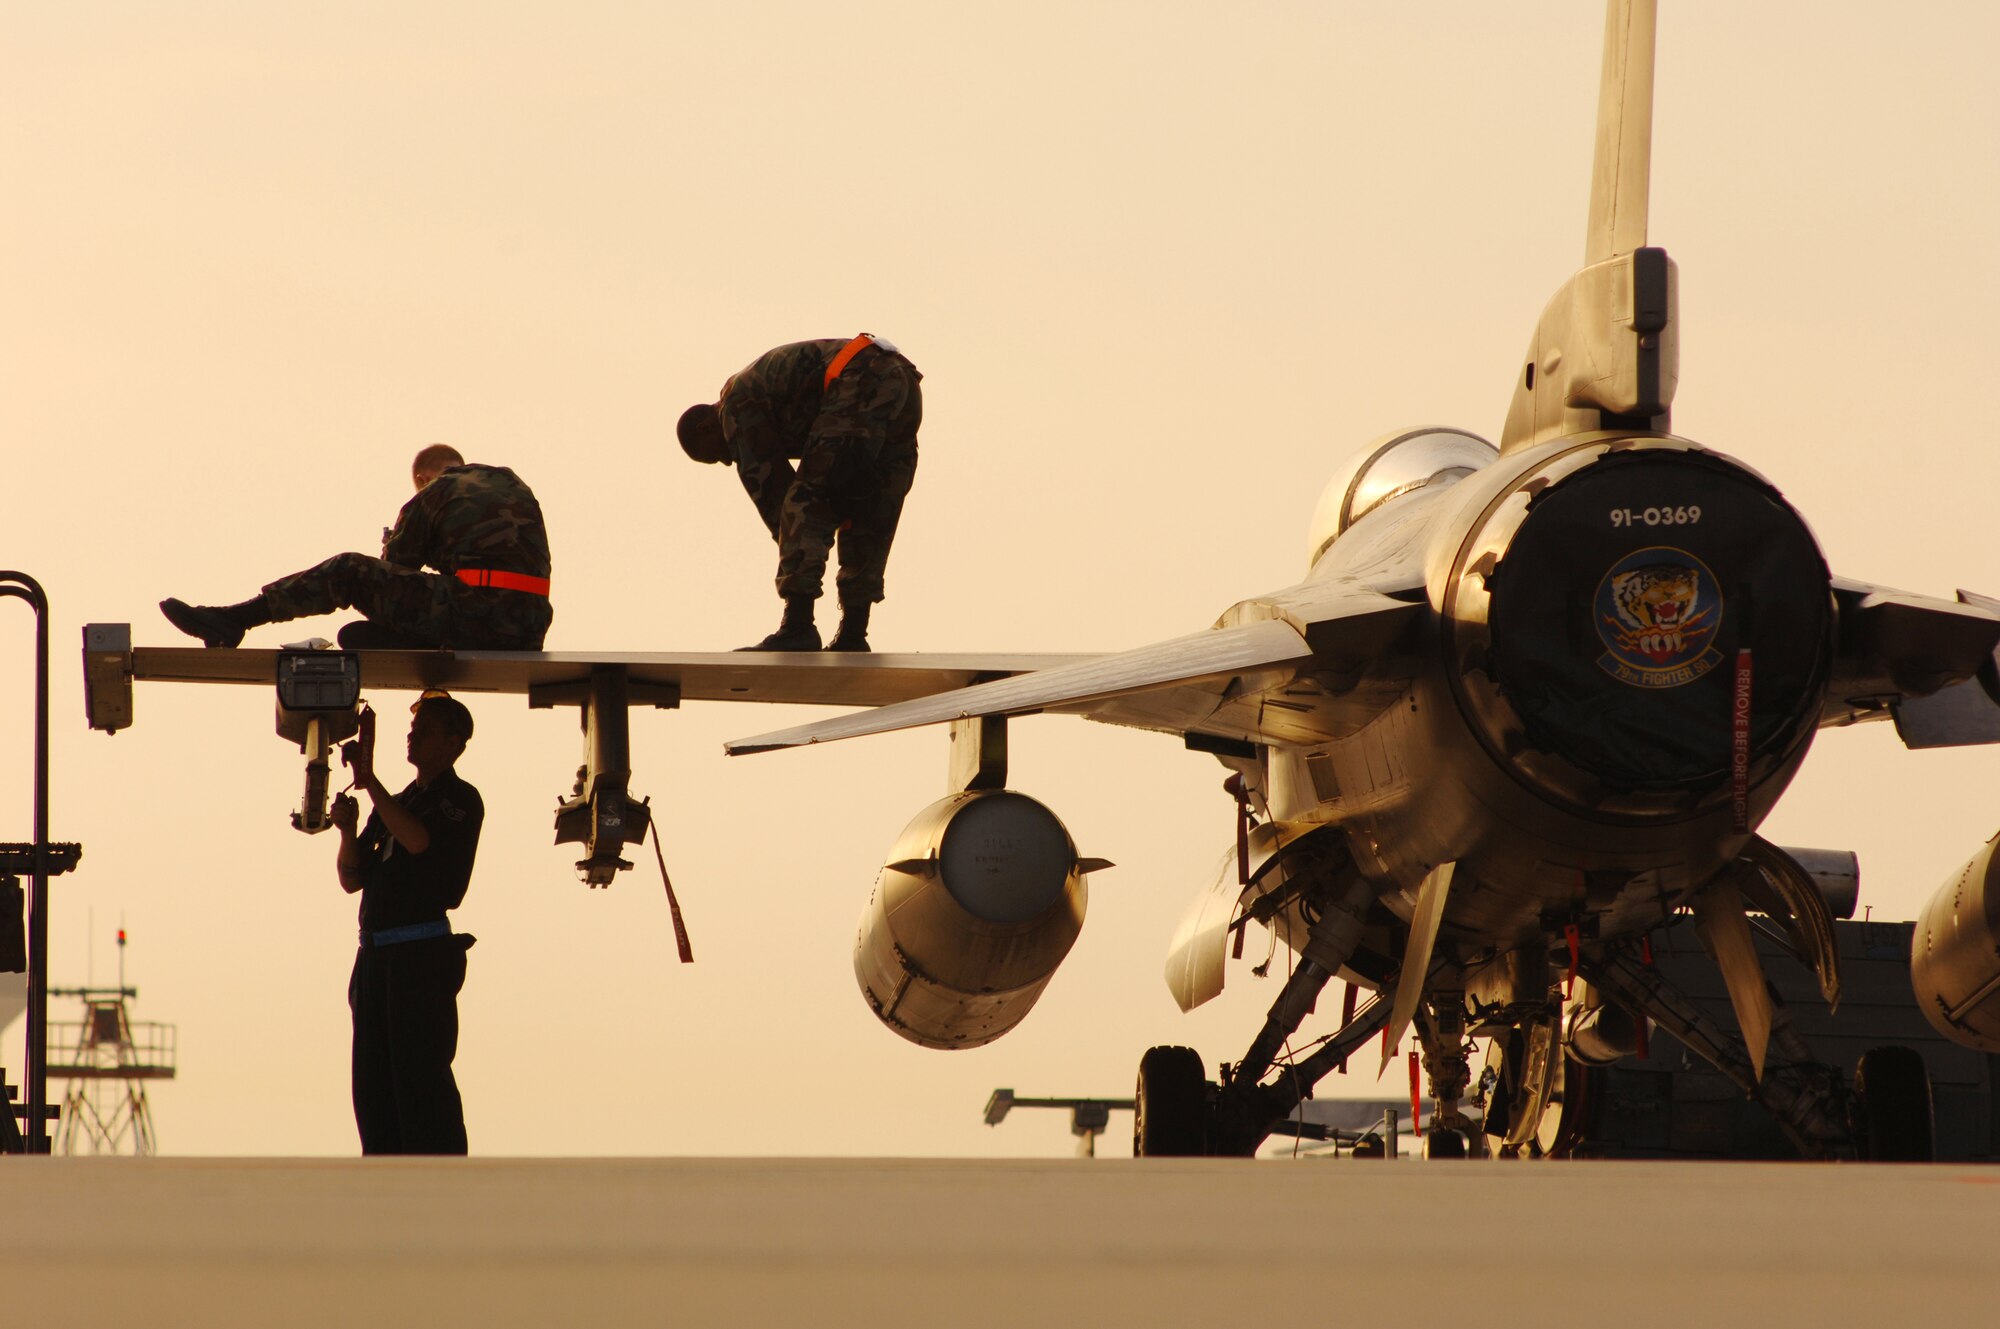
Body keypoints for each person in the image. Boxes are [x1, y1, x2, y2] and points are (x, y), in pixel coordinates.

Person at [160, 444, 553, 650]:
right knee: (358, 634)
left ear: (422, 477)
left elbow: (395, 572)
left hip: (476, 614)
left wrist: (391, 547)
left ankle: (236, 619)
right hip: (529, 627)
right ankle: (419, 641)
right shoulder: (510, 482)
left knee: (349, 570)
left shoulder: (434, 491)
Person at [677, 335, 921, 651]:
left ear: (705, 429)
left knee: (806, 501)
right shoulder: (759, 393)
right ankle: (853, 634)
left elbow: (777, 499)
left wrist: (800, 546)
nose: (728, 460)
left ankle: (798, 626)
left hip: (858, 377)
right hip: (902, 383)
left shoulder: (735, 404)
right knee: (871, 504)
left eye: (716, 455)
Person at [329, 692, 482, 1155]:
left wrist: (369, 781)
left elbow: (418, 841)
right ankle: (384, 1185)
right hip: (376, 958)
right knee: (373, 1088)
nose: (412, 738)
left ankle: (442, 1185)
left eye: (426, 731)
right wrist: (347, 832)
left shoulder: (461, 798)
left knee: (421, 1083)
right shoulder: (398, 801)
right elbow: (351, 879)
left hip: (419, 960)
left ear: (454, 743)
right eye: (412, 731)